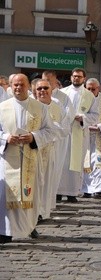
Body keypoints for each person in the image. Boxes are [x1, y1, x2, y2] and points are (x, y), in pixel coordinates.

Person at [0, 74, 54, 244]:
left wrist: (33, 137)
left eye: (21, 84)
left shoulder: (40, 108)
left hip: (31, 158)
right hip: (9, 159)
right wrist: (6, 138)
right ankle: (5, 231)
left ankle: (30, 226)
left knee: (31, 193)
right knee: (6, 196)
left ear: (29, 86)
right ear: (10, 86)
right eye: (15, 84)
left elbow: (50, 131)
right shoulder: (2, 107)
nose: (18, 87)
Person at [57, 68, 98, 203]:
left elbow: (95, 115)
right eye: (74, 76)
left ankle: (72, 192)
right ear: (71, 77)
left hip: (79, 132)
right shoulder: (62, 93)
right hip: (63, 132)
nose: (76, 79)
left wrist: (83, 118)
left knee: (75, 163)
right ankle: (57, 191)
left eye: (79, 77)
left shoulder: (89, 96)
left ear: (84, 79)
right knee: (61, 161)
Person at [34, 79, 67, 221]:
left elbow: (65, 128)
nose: (42, 91)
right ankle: (30, 213)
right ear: (34, 90)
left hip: (49, 149)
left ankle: (42, 212)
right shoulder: (30, 104)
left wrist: (50, 131)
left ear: (51, 89)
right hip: (32, 150)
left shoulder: (57, 105)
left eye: (45, 88)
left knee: (46, 181)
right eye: (39, 88)